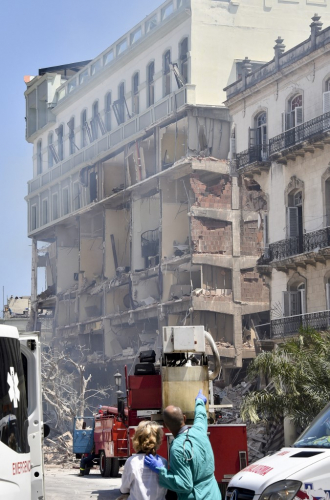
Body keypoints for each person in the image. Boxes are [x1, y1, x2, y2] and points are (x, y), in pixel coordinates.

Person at [144, 390, 221, 500]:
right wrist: (199, 401)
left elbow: (185, 485)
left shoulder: (177, 448)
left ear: (165, 425)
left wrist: (161, 470)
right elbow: (200, 416)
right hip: (214, 495)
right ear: (184, 418)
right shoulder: (199, 431)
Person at [116, 420, 168, 500]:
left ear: (138, 439)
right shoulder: (163, 461)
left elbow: (124, 489)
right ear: (157, 440)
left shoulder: (132, 461)